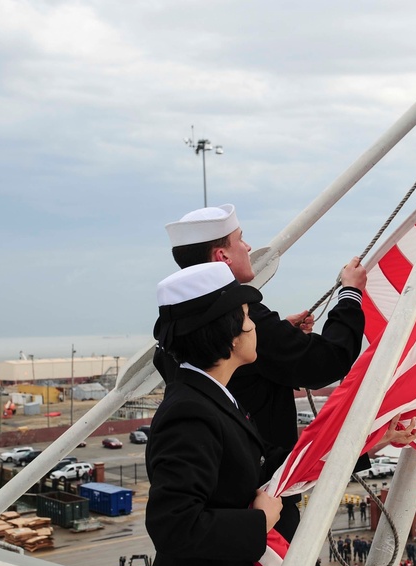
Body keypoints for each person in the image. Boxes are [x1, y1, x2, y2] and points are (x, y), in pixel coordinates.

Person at [157, 204, 368, 544]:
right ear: (222, 255)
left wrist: (277, 335)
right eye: (241, 240)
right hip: (259, 508)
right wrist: (350, 293)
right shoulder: (189, 413)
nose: (249, 247)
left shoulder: (179, 328)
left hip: (250, 508)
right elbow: (326, 362)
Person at [133, 262, 283, 566]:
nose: (255, 328)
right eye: (248, 319)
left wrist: (367, 444)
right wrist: (259, 522)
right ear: (229, 335)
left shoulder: (211, 396)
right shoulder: (191, 411)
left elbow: (261, 466)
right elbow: (173, 524)